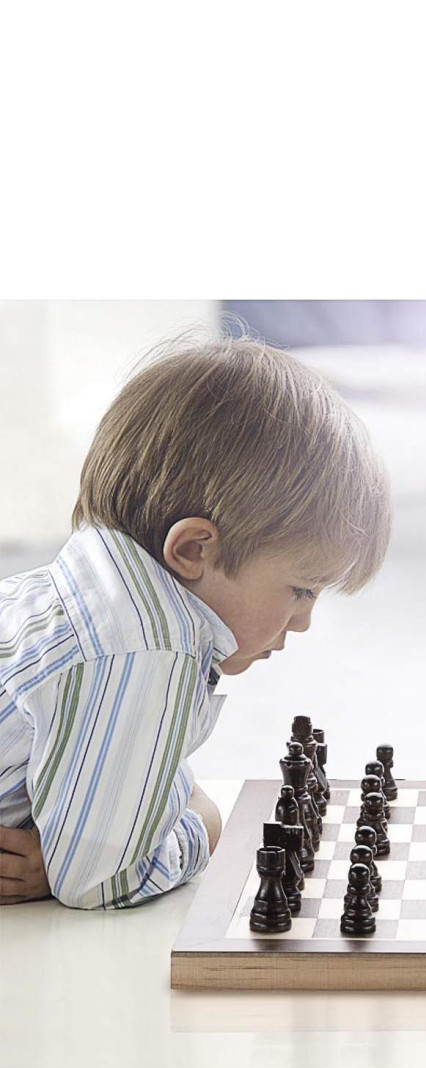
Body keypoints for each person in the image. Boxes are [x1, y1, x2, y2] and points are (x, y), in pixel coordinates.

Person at [0, 336, 392, 908]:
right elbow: (101, 881)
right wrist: (205, 821)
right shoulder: (144, 651)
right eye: (300, 590)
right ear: (192, 550)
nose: (303, 622)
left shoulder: (82, 595)